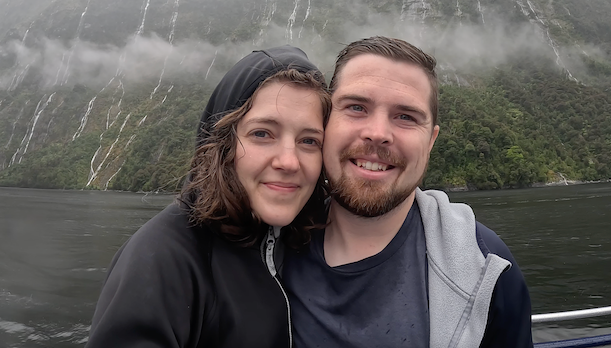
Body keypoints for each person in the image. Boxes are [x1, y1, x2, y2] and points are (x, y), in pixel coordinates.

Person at [282, 36, 534, 347]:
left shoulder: (488, 267)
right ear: (325, 122)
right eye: (357, 107)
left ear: (431, 141)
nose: (377, 134)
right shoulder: (263, 241)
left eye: (405, 117)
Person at [86, 46, 330, 348]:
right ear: (221, 144)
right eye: (262, 134)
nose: (289, 161)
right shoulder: (162, 259)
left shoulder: (305, 243)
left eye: (309, 141)